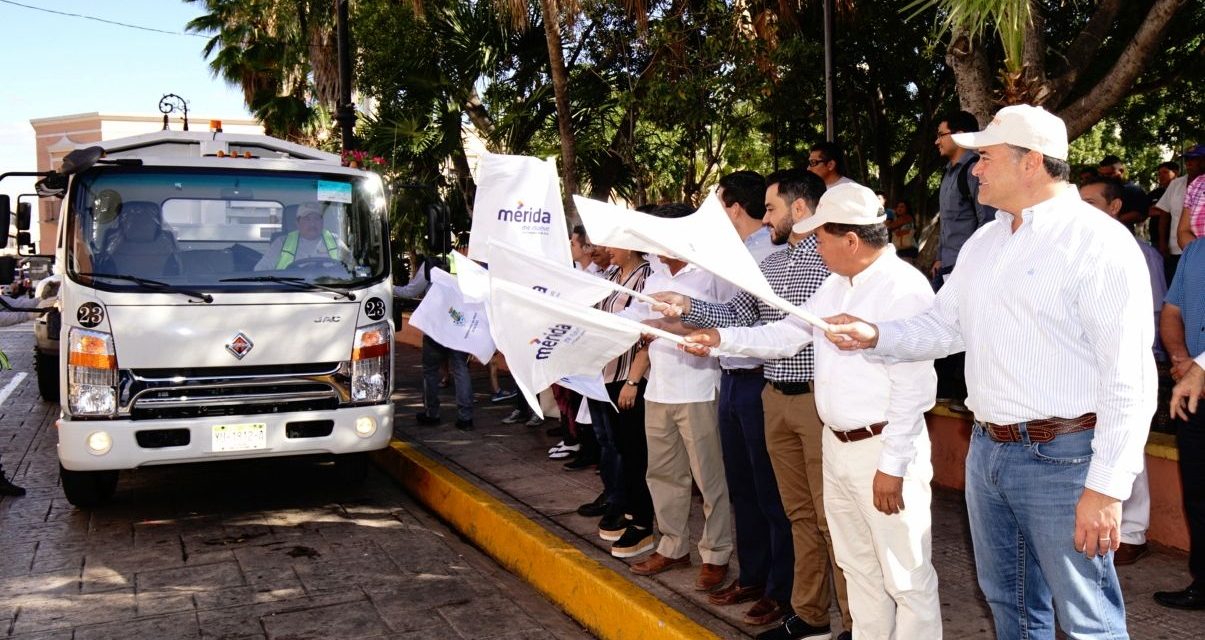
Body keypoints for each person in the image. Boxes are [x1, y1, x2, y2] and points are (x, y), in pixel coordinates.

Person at [825, 105, 1156, 639]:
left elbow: (1130, 378)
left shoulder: (1098, 242)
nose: (974, 169)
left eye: (985, 157)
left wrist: (1107, 488)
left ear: (1032, 163)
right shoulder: (985, 242)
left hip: (1065, 459)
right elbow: (942, 327)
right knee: (1011, 607)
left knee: (1088, 620)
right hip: (988, 452)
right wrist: (877, 334)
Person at [683, 183, 942, 640]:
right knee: (858, 567)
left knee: (905, 576)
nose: (814, 247)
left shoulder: (903, 289)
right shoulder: (836, 284)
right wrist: (720, 339)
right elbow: (786, 333)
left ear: (850, 239)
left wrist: (893, 466)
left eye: (820, 238)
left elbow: (914, 387)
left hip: (881, 450)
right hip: (837, 445)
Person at [652, 169, 852, 637]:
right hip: (773, 398)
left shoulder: (826, 266)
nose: (765, 220)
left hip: (814, 404)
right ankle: (810, 615)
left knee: (830, 519)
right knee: (798, 514)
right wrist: (688, 307)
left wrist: (716, 334)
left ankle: (856, 622)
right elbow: (743, 315)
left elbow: (784, 334)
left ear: (799, 209)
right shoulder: (775, 264)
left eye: (772, 209)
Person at [623, 203, 735, 595]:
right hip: (659, 387)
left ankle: (716, 554)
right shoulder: (652, 269)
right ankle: (672, 546)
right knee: (663, 475)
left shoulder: (711, 269)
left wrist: (677, 322)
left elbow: (730, 318)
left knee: (709, 480)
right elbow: (636, 317)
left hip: (700, 388)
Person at [1080, 174, 1168, 565]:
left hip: (1126, 362)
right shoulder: (1074, 247)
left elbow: (1153, 314)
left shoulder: (1140, 253)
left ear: (1115, 208)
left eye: (1093, 203)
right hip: (1083, 365)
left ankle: (1132, 532)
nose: (1082, 211)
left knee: (1125, 444)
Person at [580, 245, 656, 557]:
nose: (607, 248)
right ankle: (624, 507)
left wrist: (633, 381)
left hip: (626, 377)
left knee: (634, 449)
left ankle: (639, 518)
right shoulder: (613, 275)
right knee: (615, 444)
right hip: (605, 374)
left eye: (614, 243)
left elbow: (646, 333)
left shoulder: (646, 278)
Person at [932, 110, 995, 414]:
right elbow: (950, 223)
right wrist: (939, 257)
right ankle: (947, 390)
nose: (937, 141)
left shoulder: (973, 171)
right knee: (945, 325)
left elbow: (986, 221)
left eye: (941, 134)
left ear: (959, 135)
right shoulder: (949, 172)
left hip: (966, 267)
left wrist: (974, 262)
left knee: (967, 330)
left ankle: (964, 394)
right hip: (947, 265)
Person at [1154, 232, 1205, 610]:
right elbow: (1172, 312)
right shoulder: (1195, 251)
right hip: (1194, 396)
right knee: (1199, 495)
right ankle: (1203, 584)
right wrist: (1181, 358)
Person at [415, 240, 475, 431]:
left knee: (430, 371)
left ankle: (432, 413)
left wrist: (388, 289)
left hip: (436, 326)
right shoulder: (472, 267)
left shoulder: (432, 263)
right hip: (459, 327)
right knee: (460, 370)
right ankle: (465, 418)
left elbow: (412, 290)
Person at [1157, 146, 1205, 283]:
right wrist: (1162, 242)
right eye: (1187, 159)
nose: (1189, 163)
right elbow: (1164, 214)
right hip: (1176, 249)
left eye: (1195, 159)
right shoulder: (1176, 184)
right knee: (1177, 290)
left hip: (1201, 252)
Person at [256, 202, 350, 270]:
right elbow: (260, 270)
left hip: (330, 291)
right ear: (297, 222)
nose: (312, 223)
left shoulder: (335, 240)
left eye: (316, 218)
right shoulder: (281, 242)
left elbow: (352, 269)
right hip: (288, 291)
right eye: (307, 219)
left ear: (322, 222)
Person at [1098, 154, 1149, 235]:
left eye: (1109, 174)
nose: (1105, 178)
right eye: (1102, 175)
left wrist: (1113, 218)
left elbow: (1141, 214)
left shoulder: (1134, 190)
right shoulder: (1099, 189)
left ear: (1121, 171)